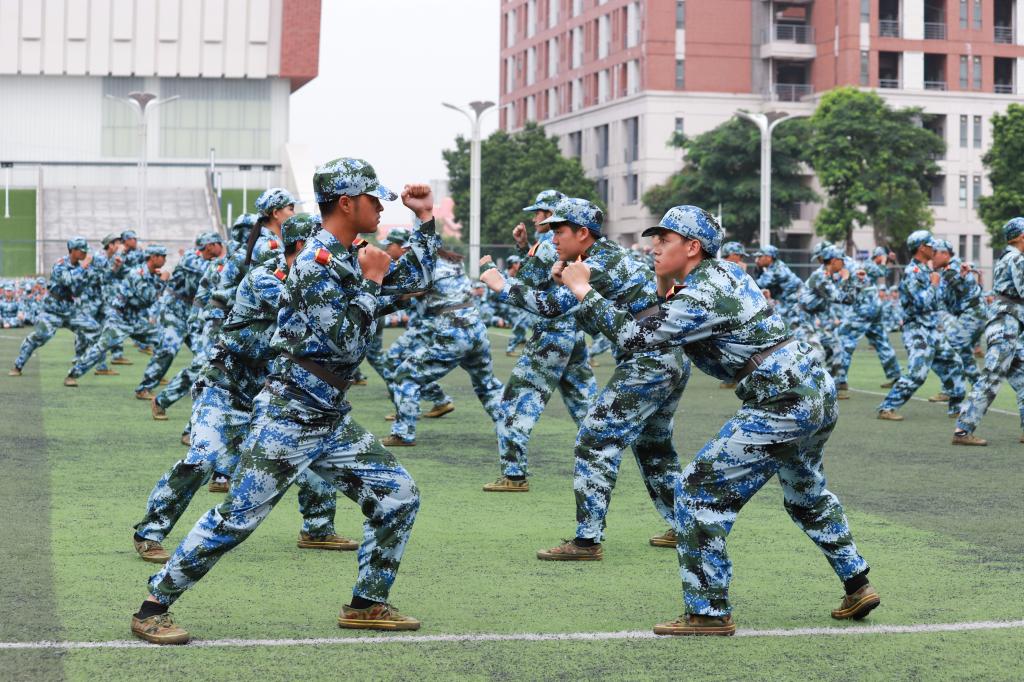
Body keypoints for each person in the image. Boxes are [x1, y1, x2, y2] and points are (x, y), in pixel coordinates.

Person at [129, 158, 439, 645]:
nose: (382, 207)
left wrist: (425, 220)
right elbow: (343, 341)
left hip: (328, 414)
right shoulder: (315, 263)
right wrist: (373, 282)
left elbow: (416, 282)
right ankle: (153, 606)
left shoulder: (343, 258)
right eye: (374, 199)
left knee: (398, 496)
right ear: (346, 203)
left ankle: (366, 603)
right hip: (289, 413)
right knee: (237, 519)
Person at [559, 204, 876, 636]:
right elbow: (665, 317)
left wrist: (583, 290)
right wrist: (660, 286)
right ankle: (857, 583)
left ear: (693, 247)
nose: (654, 247)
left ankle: (707, 612)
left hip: (782, 401)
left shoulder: (703, 293)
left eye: (665, 240)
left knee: (697, 492)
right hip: (812, 392)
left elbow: (636, 337)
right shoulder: (722, 275)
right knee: (806, 493)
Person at [132, 213, 351, 564]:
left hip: (270, 392)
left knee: (309, 454)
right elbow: (303, 306)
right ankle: (150, 531)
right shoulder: (265, 278)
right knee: (202, 460)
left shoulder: (325, 278)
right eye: (322, 244)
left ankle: (318, 527)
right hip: (224, 386)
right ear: (300, 246)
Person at [480, 197, 685, 555]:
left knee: (595, 440)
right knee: (654, 448)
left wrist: (501, 285)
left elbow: (551, 308)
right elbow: (585, 316)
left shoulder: (598, 264)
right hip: (666, 358)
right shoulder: (598, 259)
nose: (553, 238)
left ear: (582, 233)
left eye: (559, 231)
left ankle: (587, 540)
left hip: (648, 361)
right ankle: (684, 525)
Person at [479, 190, 597, 493]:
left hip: (551, 334)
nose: (534, 219)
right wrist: (522, 246)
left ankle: (514, 474)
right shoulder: (556, 245)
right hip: (574, 332)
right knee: (586, 404)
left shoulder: (546, 245)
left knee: (515, 404)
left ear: (552, 215)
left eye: (539, 214)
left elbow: (526, 284)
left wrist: (493, 274)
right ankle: (601, 462)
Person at [384, 243, 504, 446]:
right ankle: (509, 428)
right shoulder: (454, 263)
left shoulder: (426, 269)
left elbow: (402, 294)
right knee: (487, 385)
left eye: (410, 251)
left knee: (405, 374)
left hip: (453, 331)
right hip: (475, 328)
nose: (407, 254)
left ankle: (403, 434)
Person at [877, 231, 964, 421]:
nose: (935, 248)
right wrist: (933, 285)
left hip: (933, 329)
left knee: (955, 363)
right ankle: (887, 407)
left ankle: (956, 408)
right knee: (918, 373)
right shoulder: (913, 272)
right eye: (931, 245)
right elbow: (920, 303)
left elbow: (942, 302)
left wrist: (952, 280)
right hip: (917, 330)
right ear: (921, 248)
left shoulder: (929, 271)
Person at [953, 217, 1024, 446]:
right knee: (992, 375)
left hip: (1008, 323)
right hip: (1006, 325)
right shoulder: (1017, 259)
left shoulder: (1008, 256)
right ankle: (963, 430)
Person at [135, 233, 224, 400]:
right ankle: (144, 387)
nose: (222, 247)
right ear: (210, 245)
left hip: (193, 313)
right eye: (220, 244)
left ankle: (212, 388)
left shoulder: (213, 263)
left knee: (205, 352)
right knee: (168, 349)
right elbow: (206, 272)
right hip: (173, 310)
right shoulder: (191, 257)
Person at [64, 246, 169, 385]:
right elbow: (148, 299)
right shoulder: (139, 274)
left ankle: (154, 376)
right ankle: (72, 375)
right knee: (100, 348)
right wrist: (162, 281)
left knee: (163, 342)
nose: (165, 259)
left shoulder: (147, 273)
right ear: (153, 258)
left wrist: (156, 279)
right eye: (162, 256)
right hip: (120, 319)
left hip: (135, 319)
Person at [10, 237, 96, 376]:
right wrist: (84, 267)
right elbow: (67, 280)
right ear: (72, 250)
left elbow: (78, 289)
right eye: (81, 251)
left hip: (70, 309)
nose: (84, 254)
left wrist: (85, 270)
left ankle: (78, 362)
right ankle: (18, 365)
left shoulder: (80, 267)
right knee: (41, 336)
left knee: (91, 328)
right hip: (52, 309)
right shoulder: (60, 264)